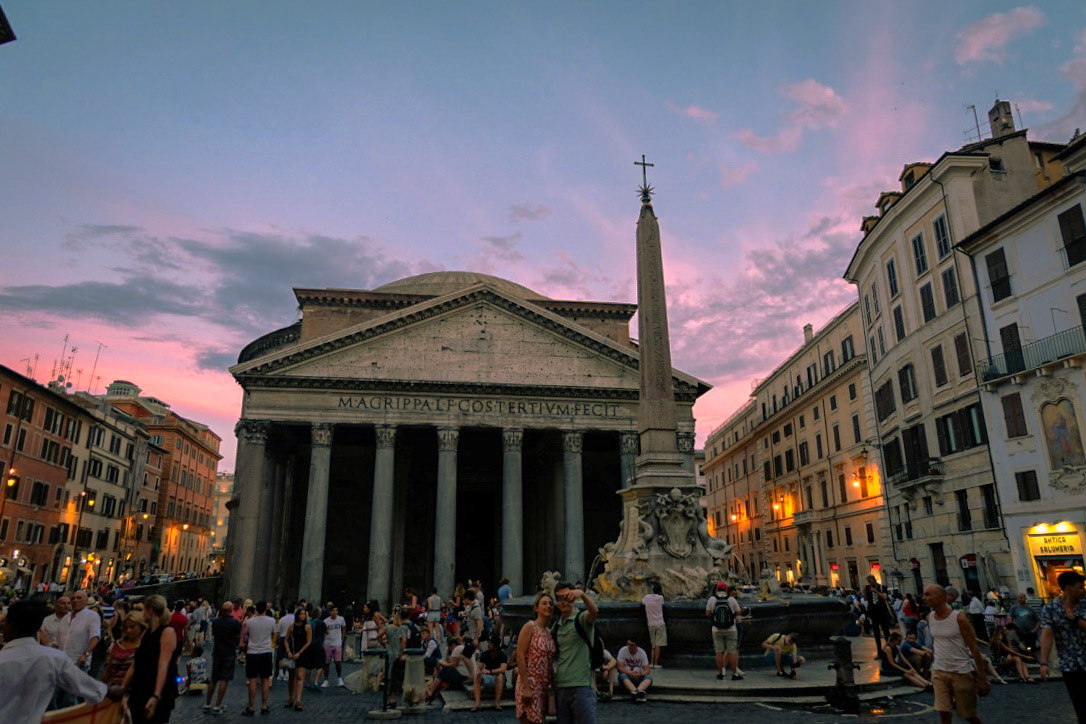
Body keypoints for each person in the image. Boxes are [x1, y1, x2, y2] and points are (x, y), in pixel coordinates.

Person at [0, 599, 124, 722]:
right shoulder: (54, 658)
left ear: (10, 626)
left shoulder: (4, 659)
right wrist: (108, 691)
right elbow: (88, 686)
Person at [922, 584, 989, 724]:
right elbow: (936, 643)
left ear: (942, 597)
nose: (924, 598)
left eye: (928, 594)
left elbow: (974, 649)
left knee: (968, 715)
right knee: (944, 713)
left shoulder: (959, 619)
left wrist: (982, 679)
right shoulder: (930, 618)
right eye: (924, 594)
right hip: (939, 671)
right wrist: (928, 667)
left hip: (960, 672)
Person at [124, 594, 180, 724]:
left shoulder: (167, 632)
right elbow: (136, 662)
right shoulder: (147, 632)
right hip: (140, 688)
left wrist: (156, 695)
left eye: (144, 609)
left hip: (155, 689)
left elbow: (163, 664)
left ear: (149, 610)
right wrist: (123, 687)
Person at [1039, 569, 1086, 721]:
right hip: (1069, 665)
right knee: (1080, 706)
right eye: (1080, 586)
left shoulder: (1085, 606)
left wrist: (1074, 619)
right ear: (1068, 587)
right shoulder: (1050, 609)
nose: (1083, 589)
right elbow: (1047, 634)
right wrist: (1044, 662)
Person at [552, 580, 599, 724]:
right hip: (561, 685)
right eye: (560, 598)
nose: (564, 601)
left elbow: (594, 611)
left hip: (582, 685)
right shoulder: (557, 625)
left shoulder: (581, 618)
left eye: (568, 596)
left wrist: (583, 595)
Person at [515, 591, 557, 724]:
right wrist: (526, 687)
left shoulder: (549, 632)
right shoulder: (530, 627)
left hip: (544, 686)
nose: (548, 606)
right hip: (530, 684)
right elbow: (520, 655)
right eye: (544, 603)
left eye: (550, 603)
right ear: (536, 608)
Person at [206, 601, 241, 715]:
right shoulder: (235, 623)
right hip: (229, 653)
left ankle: (207, 703)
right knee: (224, 679)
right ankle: (217, 705)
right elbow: (237, 635)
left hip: (217, 652)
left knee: (214, 678)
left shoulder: (216, 622)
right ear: (231, 610)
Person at [242, 600, 275, 715]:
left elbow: (247, 635)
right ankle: (264, 706)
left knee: (252, 679)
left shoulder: (250, 622)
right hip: (266, 651)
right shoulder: (272, 621)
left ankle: (251, 707)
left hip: (252, 652)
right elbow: (272, 634)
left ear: (256, 609)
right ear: (265, 609)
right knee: (265, 679)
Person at [706, 582, 742, 680]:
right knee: (732, 652)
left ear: (716, 589)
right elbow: (738, 612)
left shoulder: (712, 599)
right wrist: (732, 615)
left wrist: (715, 616)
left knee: (718, 652)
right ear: (726, 590)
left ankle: (720, 673)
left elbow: (708, 613)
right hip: (731, 629)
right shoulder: (731, 599)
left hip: (716, 629)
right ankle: (734, 674)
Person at [100, 611, 146, 687]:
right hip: (112, 688)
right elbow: (108, 670)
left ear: (141, 626)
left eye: (132, 627)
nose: (128, 630)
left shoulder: (144, 647)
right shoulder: (118, 644)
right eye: (126, 627)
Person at [285, 608, 313, 711]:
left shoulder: (307, 627)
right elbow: (286, 640)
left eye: (304, 614)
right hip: (292, 653)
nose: (303, 616)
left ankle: (298, 700)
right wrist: (288, 651)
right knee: (291, 677)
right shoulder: (292, 627)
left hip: (302, 653)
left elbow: (309, 641)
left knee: (300, 676)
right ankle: (291, 697)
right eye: (301, 614)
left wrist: (300, 653)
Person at [472, 634, 508, 711]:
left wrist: (491, 671)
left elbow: (503, 669)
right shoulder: (485, 654)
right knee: (477, 677)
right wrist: (478, 672)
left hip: (497, 677)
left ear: (495, 646)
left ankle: (497, 702)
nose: (488, 645)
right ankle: (477, 703)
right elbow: (480, 667)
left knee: (500, 676)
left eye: (490, 644)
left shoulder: (502, 655)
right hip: (488, 677)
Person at [864, 575, 894, 654]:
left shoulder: (882, 587)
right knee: (876, 633)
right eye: (868, 582)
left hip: (882, 612)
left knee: (886, 631)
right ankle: (879, 651)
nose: (870, 583)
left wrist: (875, 591)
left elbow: (884, 597)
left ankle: (889, 650)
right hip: (873, 613)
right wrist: (864, 592)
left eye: (870, 581)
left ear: (874, 580)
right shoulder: (868, 589)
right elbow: (865, 599)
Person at [616, 638, 652, 703]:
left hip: (639, 675)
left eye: (632, 645)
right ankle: (635, 692)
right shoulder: (623, 650)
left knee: (649, 678)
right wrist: (628, 672)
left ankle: (637, 691)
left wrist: (640, 674)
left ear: (636, 646)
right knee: (622, 676)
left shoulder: (642, 652)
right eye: (628, 644)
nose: (630, 647)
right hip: (627, 676)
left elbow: (647, 670)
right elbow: (619, 667)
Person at [321, 604, 346, 687]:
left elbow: (344, 628)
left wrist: (342, 637)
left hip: (337, 643)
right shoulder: (326, 621)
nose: (335, 612)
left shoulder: (341, 619)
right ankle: (326, 679)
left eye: (336, 610)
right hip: (328, 643)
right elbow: (323, 631)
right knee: (326, 663)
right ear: (330, 612)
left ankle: (339, 678)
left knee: (338, 662)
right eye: (333, 610)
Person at [641, 583, 666, 668]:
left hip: (650, 623)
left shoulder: (647, 597)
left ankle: (651, 663)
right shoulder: (660, 598)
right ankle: (656, 663)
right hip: (659, 623)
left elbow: (642, 602)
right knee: (658, 644)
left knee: (653, 645)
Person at [275, 602, 295, 680]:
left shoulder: (282, 619)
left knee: (280, 656)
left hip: (282, 637)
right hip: (291, 638)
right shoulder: (294, 619)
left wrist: (278, 639)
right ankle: (287, 672)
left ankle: (280, 673)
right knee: (289, 656)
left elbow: (278, 631)